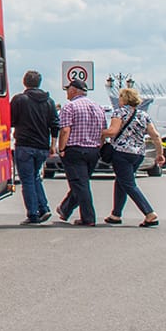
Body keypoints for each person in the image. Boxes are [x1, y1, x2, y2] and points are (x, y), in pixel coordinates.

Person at [102, 87, 160, 227]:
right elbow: (156, 136)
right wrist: (160, 153)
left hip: (122, 153)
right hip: (138, 153)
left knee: (128, 184)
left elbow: (113, 131)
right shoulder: (143, 115)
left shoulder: (119, 112)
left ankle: (149, 213)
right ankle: (116, 214)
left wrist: (101, 133)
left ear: (124, 99)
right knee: (121, 181)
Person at [53, 77, 107, 226]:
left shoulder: (69, 107)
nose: (66, 94)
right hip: (93, 150)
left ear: (73, 90)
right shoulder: (98, 107)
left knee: (80, 184)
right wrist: (98, 146)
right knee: (81, 182)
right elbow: (103, 131)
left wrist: (62, 148)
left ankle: (88, 217)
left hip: (75, 150)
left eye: (67, 90)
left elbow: (65, 130)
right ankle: (65, 209)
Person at [9, 70, 60, 224]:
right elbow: (55, 125)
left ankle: (33, 213)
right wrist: (53, 145)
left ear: (25, 82)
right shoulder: (49, 101)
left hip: (24, 145)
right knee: (36, 176)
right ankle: (43, 208)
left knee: (28, 180)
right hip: (42, 146)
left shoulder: (19, 100)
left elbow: (10, 120)